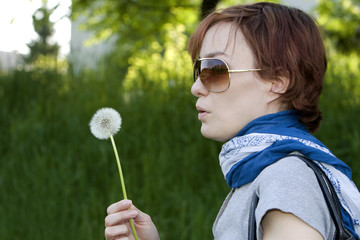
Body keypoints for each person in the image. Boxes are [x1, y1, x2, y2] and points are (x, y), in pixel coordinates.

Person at [104, 2, 360, 239]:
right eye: (198, 70)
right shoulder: (261, 171)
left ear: (278, 82)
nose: (196, 87)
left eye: (215, 70)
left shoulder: (286, 176)